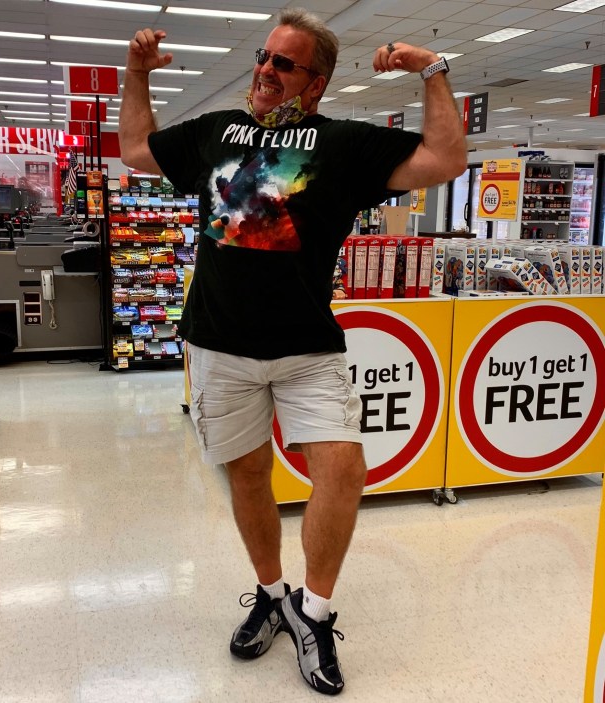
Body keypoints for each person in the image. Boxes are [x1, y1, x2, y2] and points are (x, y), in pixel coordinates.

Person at [120, 8, 466, 696]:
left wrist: (432, 70)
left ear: (316, 82)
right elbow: (135, 148)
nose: (265, 70)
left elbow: (446, 158)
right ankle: (272, 594)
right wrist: (136, 74)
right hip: (219, 344)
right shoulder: (216, 130)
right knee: (249, 477)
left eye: (284, 63)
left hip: (309, 347)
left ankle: (315, 612)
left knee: (342, 469)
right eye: (263, 56)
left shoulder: (341, 143)